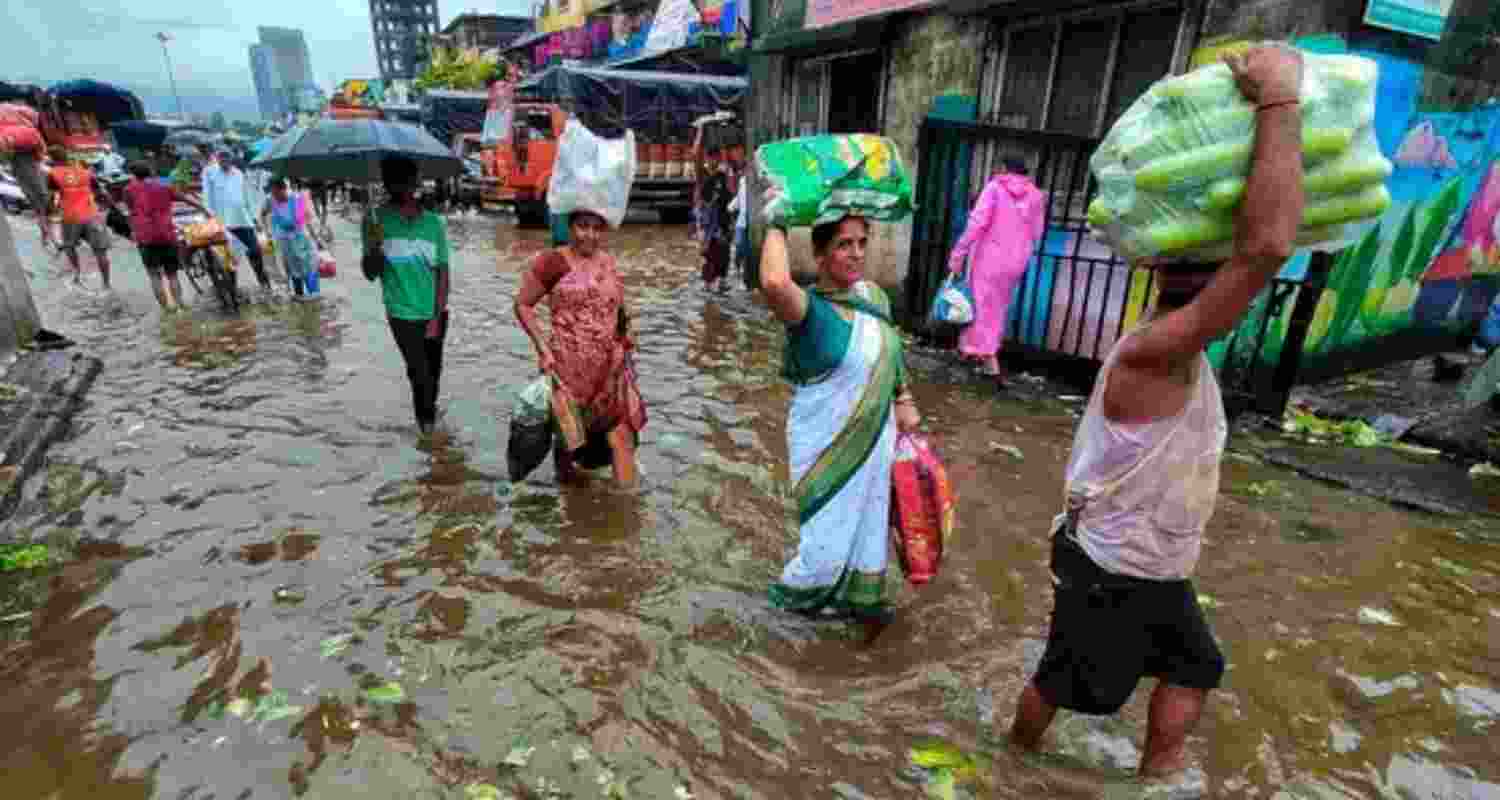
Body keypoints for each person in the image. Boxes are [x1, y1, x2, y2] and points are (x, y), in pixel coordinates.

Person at [1006, 44, 1307, 779]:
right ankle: (1010, 767)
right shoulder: (1157, 351)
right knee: (1069, 684)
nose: (1228, 277)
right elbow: (1267, 245)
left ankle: (1154, 776)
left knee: (1196, 665)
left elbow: (1252, 250)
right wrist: (1279, 100)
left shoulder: (1178, 350)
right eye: (1217, 266)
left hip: (1149, 566)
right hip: (1113, 569)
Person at [758, 214, 922, 629]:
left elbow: (891, 346)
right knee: (825, 550)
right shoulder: (809, 311)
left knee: (869, 534)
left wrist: (903, 397)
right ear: (819, 253)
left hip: (876, 440)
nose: (857, 254)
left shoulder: (873, 298)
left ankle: (858, 609)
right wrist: (777, 222)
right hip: (827, 447)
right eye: (844, 245)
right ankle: (781, 620)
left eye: (862, 243)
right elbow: (774, 282)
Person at [514, 210, 646, 486]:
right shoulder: (553, 261)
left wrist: (628, 332)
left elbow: (618, 307)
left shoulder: (608, 263)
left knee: (621, 437)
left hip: (610, 372)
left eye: (597, 228)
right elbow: (523, 304)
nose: (590, 235)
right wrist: (542, 349)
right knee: (570, 445)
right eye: (583, 226)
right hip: (568, 371)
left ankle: (629, 514)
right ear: (570, 227)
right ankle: (572, 515)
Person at [362, 156, 453, 436]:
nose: (398, 185)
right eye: (392, 179)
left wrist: (437, 317)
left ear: (415, 181)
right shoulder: (375, 220)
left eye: (404, 178)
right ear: (386, 183)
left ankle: (428, 415)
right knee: (419, 374)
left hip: (433, 311)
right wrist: (375, 249)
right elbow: (370, 273)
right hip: (401, 313)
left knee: (433, 374)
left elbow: (443, 273)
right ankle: (427, 432)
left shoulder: (435, 224)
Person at [947, 158, 1046, 379]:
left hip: (988, 257)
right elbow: (1037, 232)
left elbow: (977, 222)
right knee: (997, 308)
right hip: (1015, 262)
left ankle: (986, 357)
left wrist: (958, 253)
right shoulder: (1036, 196)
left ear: (1004, 169)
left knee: (980, 305)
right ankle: (975, 353)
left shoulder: (995, 188)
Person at [123, 160, 212, 310]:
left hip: (145, 237)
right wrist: (205, 209)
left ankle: (167, 310)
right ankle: (180, 304)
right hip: (167, 235)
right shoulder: (164, 186)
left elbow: (131, 211)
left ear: (133, 175)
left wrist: (133, 231)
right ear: (150, 172)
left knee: (154, 275)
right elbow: (186, 199)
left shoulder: (128, 190)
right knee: (172, 274)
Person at [47, 145, 113, 288]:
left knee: (69, 247)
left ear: (52, 159)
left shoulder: (53, 174)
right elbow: (101, 192)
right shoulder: (85, 172)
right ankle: (106, 284)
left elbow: (52, 197)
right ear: (67, 155)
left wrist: (50, 213)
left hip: (71, 217)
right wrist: (106, 207)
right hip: (91, 215)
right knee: (100, 252)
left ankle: (77, 274)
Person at [215, 155, 273, 296]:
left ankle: (265, 285)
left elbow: (249, 198)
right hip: (226, 225)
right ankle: (233, 290)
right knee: (230, 260)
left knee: (255, 252)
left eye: (226, 158)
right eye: (221, 159)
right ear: (218, 161)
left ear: (230, 161)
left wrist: (255, 219)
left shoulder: (240, 176)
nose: (224, 162)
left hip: (244, 222)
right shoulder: (214, 177)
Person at [261, 177, 325, 300]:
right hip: (285, 242)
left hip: (302, 239)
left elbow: (307, 221)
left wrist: (317, 239)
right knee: (293, 270)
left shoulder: (298, 199)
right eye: (272, 193)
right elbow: (263, 213)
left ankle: (315, 297)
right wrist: (267, 232)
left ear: (284, 189)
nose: (275, 196)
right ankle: (298, 296)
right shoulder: (270, 200)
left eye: (276, 193)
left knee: (309, 267)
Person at [698, 159, 735, 292]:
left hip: (715, 229)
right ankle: (716, 283)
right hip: (717, 229)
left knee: (713, 257)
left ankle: (712, 284)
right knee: (719, 256)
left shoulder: (714, 186)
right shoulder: (718, 187)